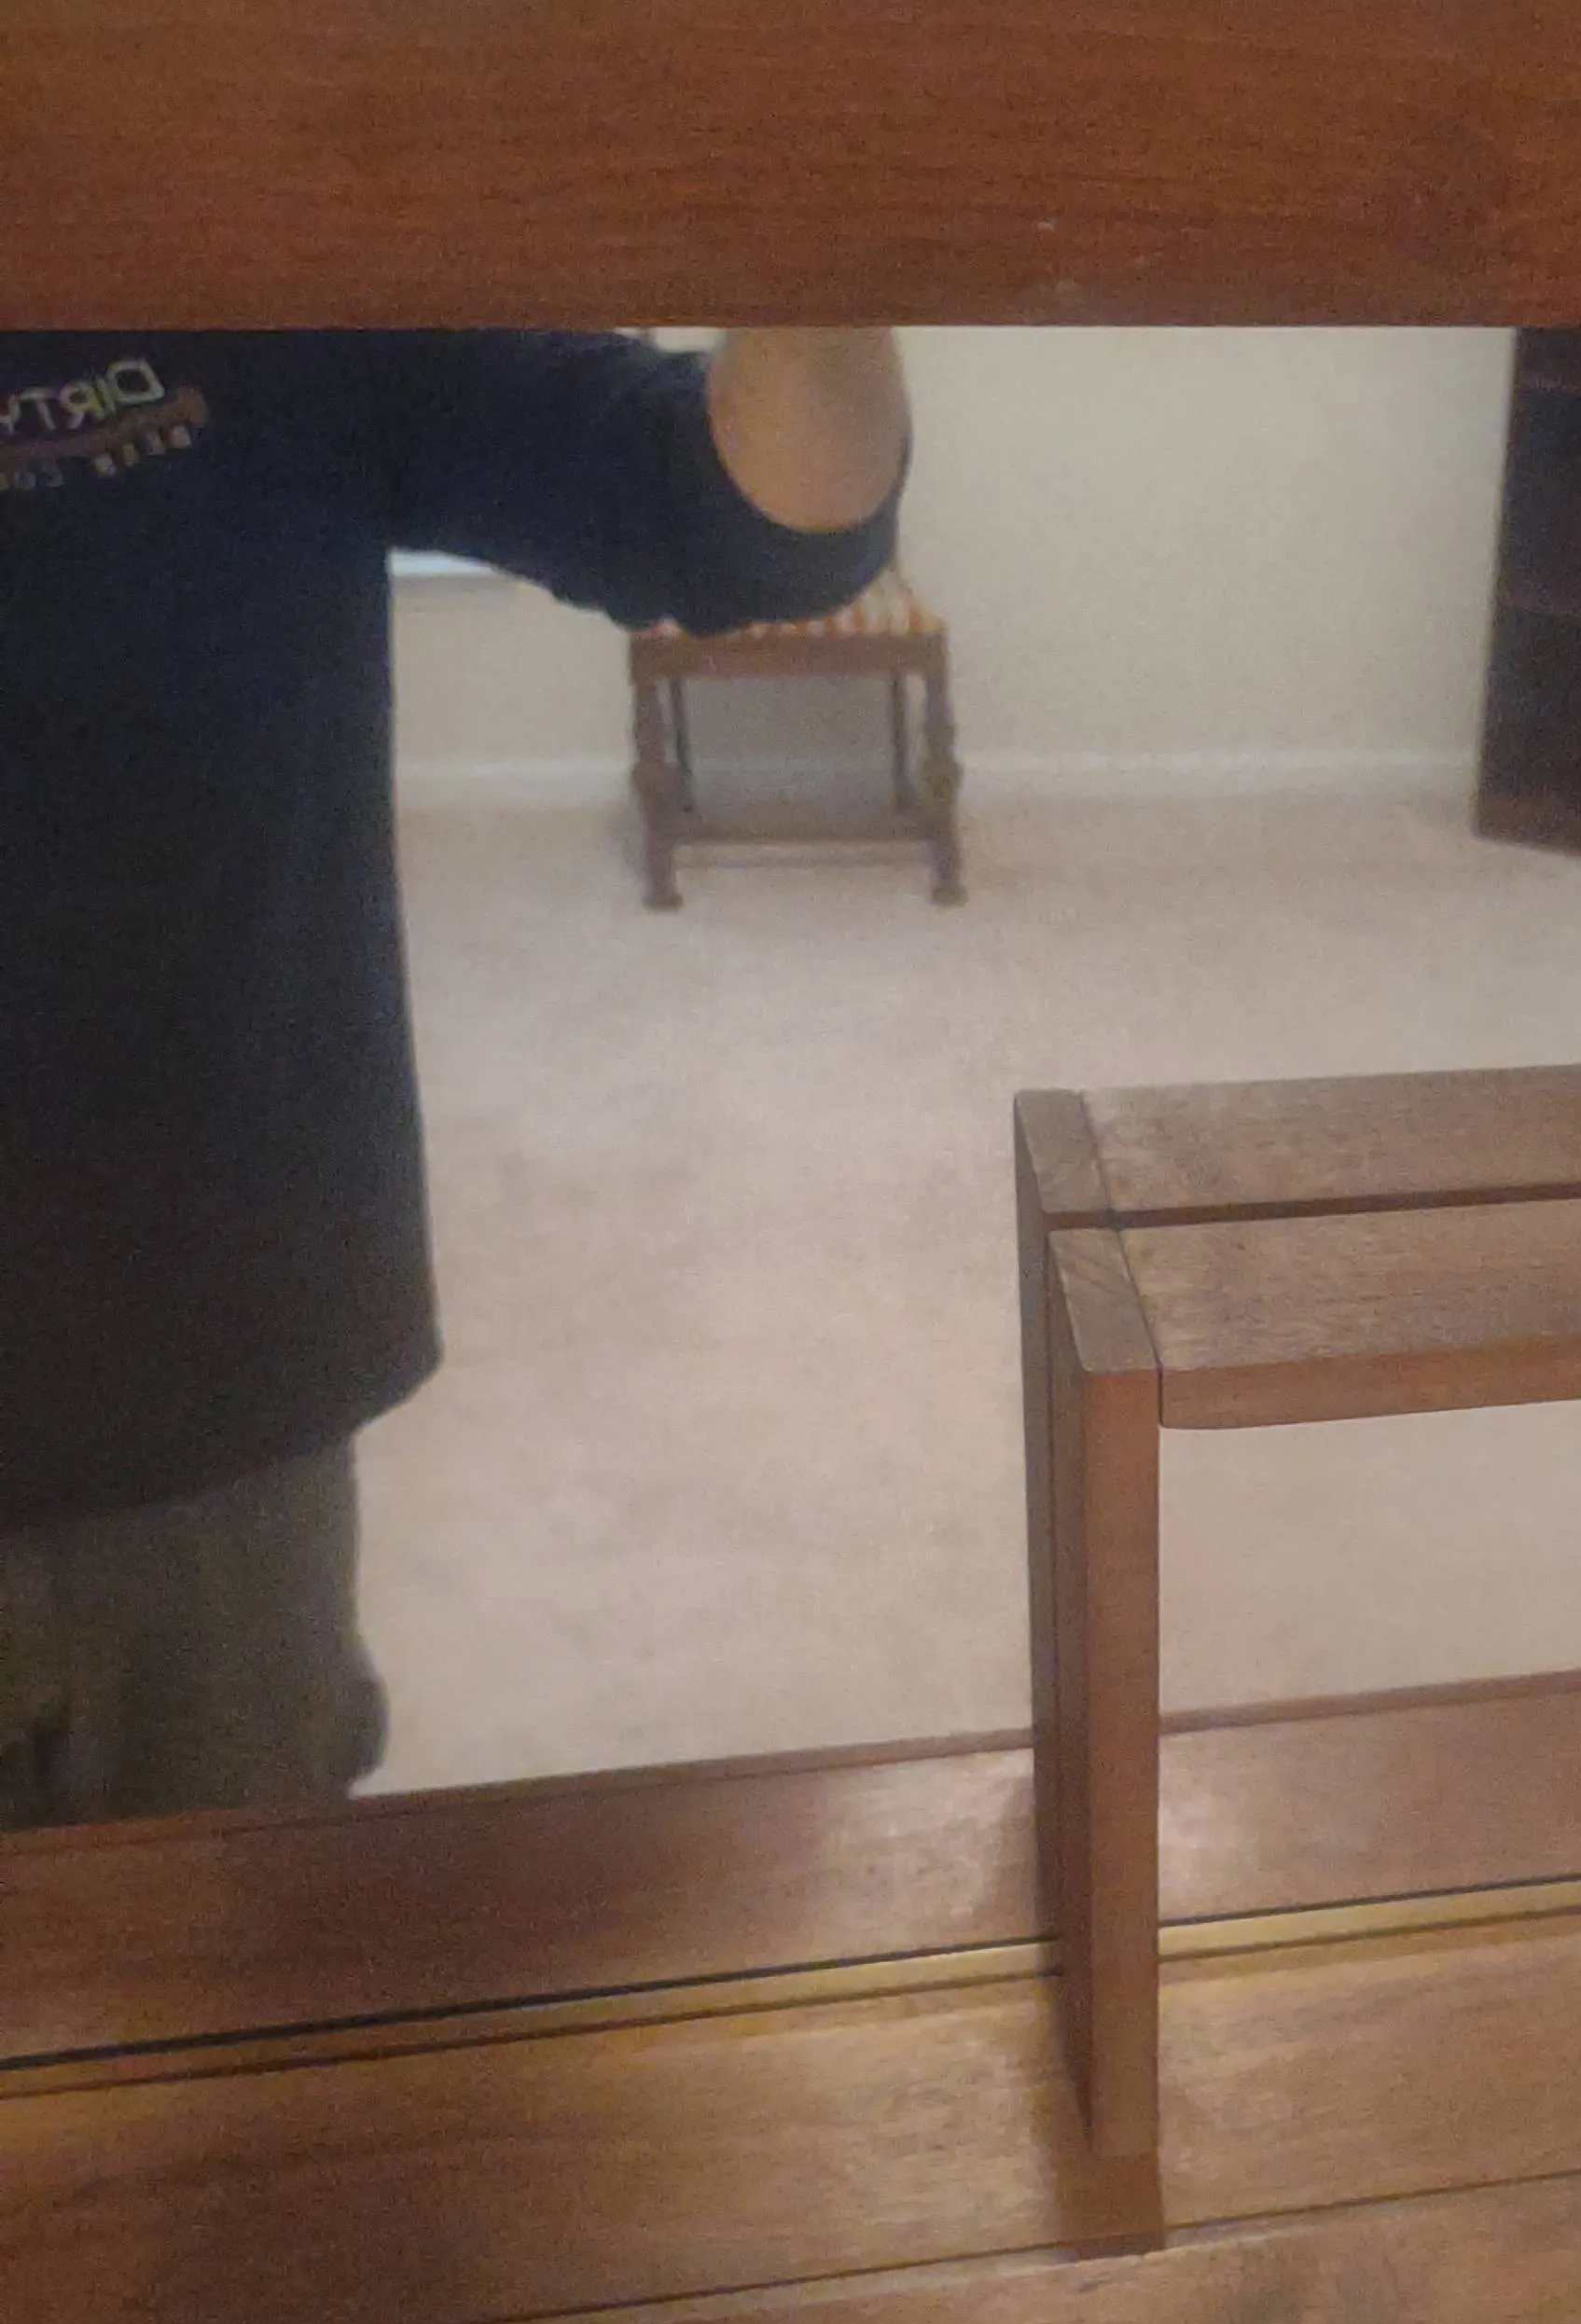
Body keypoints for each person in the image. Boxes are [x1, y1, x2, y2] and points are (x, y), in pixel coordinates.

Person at [0, 328, 910, 1827]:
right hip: (224, 1365)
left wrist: (815, 223)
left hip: (213, 1378)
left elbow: (741, 518)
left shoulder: (258, 256)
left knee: (236, 1955)